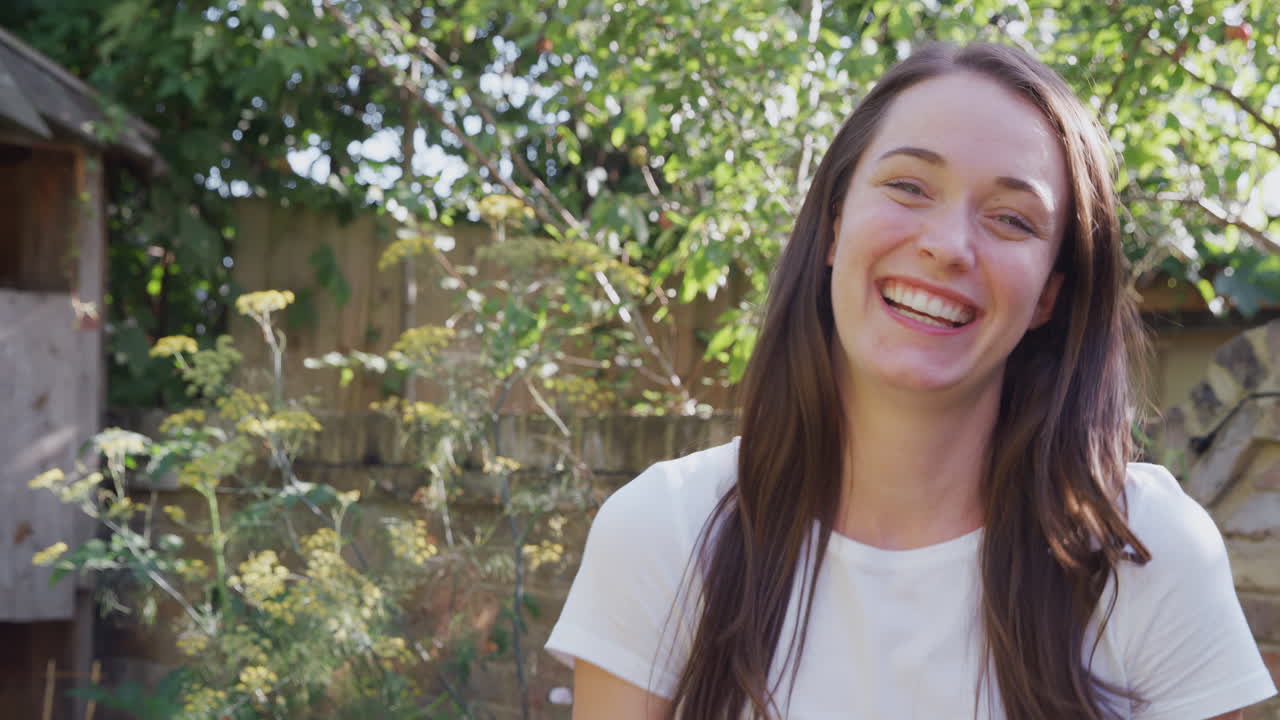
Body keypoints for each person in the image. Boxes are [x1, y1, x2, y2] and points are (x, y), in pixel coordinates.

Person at [544, 42, 1278, 719]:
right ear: (833, 228)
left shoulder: (1143, 553)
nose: (948, 246)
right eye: (908, 185)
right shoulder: (666, 533)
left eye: (1012, 220)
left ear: (1049, 296)